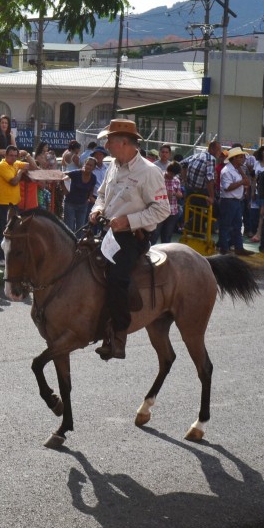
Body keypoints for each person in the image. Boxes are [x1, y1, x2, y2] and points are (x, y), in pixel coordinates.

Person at [89, 119, 169, 361]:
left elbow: (162, 210)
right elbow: (102, 194)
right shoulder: (114, 165)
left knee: (117, 278)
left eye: (109, 141)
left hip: (132, 238)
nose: (106, 146)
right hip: (107, 234)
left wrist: (129, 220)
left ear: (124, 142)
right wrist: (97, 208)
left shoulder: (149, 171)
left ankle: (118, 334)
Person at [0, 145, 35, 262]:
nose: (13, 158)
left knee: (13, 231)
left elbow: (34, 166)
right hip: (3, 204)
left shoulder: (15, 163)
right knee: (2, 231)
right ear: (5, 155)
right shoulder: (2, 166)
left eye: (15, 156)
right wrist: (21, 172)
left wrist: (27, 155)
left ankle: (7, 256)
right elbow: (14, 181)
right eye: (11, 155)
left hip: (13, 203)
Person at [218, 147, 250, 255]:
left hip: (235, 200)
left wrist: (241, 172)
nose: (243, 159)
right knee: (226, 225)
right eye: (241, 157)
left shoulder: (237, 170)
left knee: (237, 225)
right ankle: (224, 248)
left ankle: (238, 248)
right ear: (234, 158)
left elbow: (247, 182)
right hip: (228, 201)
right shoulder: (227, 170)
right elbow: (227, 187)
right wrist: (241, 181)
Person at [62, 156, 98, 235]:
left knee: (80, 229)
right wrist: (64, 189)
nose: (88, 166)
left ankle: (77, 246)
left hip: (83, 205)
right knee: (69, 229)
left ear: (94, 168)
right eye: (87, 164)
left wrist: (89, 198)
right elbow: (62, 175)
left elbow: (91, 190)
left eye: (90, 165)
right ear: (84, 164)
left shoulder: (93, 178)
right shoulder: (76, 173)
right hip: (70, 204)